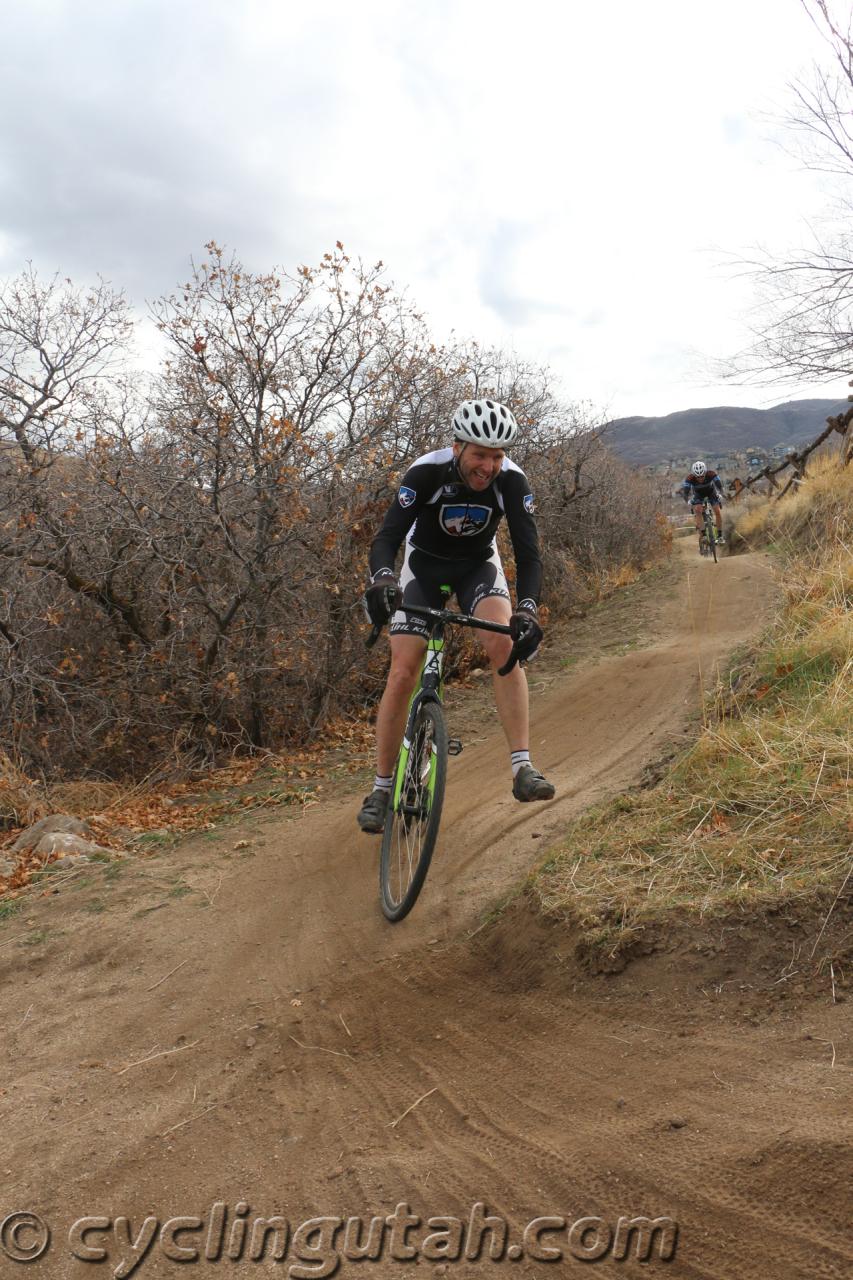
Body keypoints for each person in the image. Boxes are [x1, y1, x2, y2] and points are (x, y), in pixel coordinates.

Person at [357, 398, 556, 834]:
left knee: (504, 645)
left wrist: (527, 608)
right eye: (480, 455)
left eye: (497, 456)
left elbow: (530, 556)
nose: (488, 467)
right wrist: (382, 579)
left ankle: (523, 768)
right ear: (457, 447)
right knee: (403, 671)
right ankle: (381, 786)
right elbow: (387, 536)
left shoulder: (513, 482)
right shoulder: (426, 472)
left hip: (477, 567)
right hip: (423, 567)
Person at [680, 461, 725, 547]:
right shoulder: (689, 478)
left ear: (705, 473)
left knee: (717, 511)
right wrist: (688, 501)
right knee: (697, 510)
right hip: (698, 495)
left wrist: (721, 494)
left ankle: (720, 536)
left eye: (702, 476)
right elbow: (685, 492)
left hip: (711, 493)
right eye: (698, 477)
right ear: (694, 475)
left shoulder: (711, 474)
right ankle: (704, 535)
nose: (700, 479)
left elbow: (719, 486)